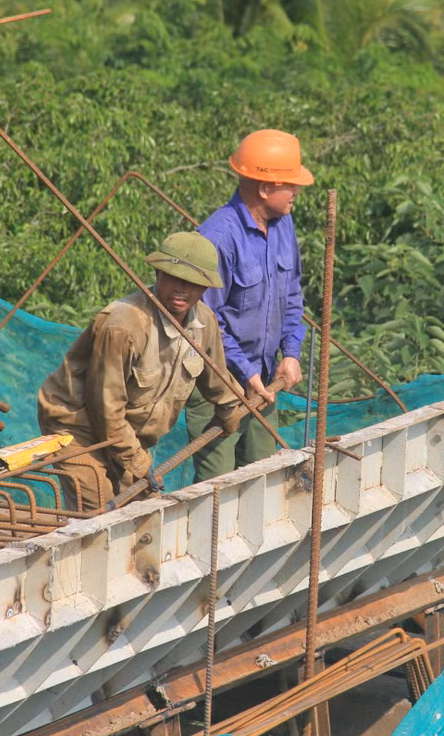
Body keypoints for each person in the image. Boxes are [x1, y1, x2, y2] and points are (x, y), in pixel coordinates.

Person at [37, 232, 244, 513]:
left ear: (205, 287)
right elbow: (105, 409)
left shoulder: (204, 323)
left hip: (128, 436)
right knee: (100, 515)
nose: (181, 289)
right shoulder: (123, 326)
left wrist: (231, 409)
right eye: (173, 278)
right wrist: (136, 461)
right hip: (78, 429)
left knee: (144, 514)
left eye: (192, 283)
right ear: (158, 274)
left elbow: (217, 380)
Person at [185, 129, 313, 481]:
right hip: (216, 383)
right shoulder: (219, 237)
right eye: (291, 185)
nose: (297, 193)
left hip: (263, 377)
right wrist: (246, 372)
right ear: (265, 187)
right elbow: (204, 322)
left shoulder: (283, 223)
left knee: (262, 477)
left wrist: (291, 352)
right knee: (218, 489)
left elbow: (292, 294)